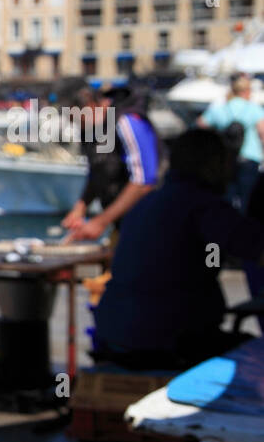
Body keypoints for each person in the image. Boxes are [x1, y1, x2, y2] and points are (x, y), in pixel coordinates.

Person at [92, 127, 264, 371]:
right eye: (227, 162)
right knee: (254, 359)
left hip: (115, 335)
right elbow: (255, 247)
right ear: (213, 164)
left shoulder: (149, 202)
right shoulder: (203, 205)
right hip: (166, 343)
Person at [62, 84, 160, 244]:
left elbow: (144, 181)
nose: (79, 126)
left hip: (151, 225)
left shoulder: (126, 122)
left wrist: (99, 222)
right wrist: (81, 207)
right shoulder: (92, 130)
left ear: (92, 105)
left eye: (79, 119)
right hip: (124, 226)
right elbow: (99, 171)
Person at [198, 72, 264, 297]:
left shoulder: (222, 109)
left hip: (226, 165)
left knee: (221, 211)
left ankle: (215, 260)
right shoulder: (253, 109)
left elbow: (200, 125)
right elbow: (263, 132)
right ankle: (244, 256)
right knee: (248, 211)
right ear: (246, 91)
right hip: (250, 162)